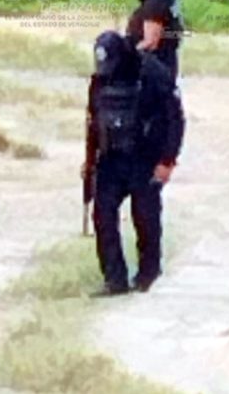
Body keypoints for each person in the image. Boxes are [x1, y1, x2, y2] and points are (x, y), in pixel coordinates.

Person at [82, 31, 184, 296]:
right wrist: (90, 160)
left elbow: (175, 118)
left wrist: (167, 161)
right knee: (103, 216)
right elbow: (94, 121)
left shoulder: (152, 73)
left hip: (145, 157)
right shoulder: (100, 79)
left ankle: (147, 275)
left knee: (146, 217)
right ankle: (114, 280)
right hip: (111, 158)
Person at [123, 0, 184, 81]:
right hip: (163, 68)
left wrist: (125, 56)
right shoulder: (162, 0)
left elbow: (150, 42)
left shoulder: (154, 4)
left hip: (152, 72)